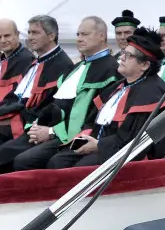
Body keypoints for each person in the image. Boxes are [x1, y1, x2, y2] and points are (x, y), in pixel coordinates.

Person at [0, 16, 119, 171]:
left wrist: (50, 131)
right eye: (77, 35)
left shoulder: (110, 70)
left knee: (28, 160)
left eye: (84, 34)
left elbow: (90, 117)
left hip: (77, 135)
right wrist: (38, 125)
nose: (79, 39)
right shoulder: (77, 68)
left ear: (102, 36)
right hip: (50, 129)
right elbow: (54, 106)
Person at [48, 28, 165, 168]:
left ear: (144, 65)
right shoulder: (118, 87)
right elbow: (91, 121)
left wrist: (99, 145)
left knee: (81, 168)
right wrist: (86, 139)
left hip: (121, 154)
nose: (122, 58)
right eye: (124, 53)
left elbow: (133, 139)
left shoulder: (152, 94)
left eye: (129, 56)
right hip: (97, 143)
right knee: (57, 161)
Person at [0, 16, 74, 170]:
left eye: (35, 33)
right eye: (29, 32)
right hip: (20, 121)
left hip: (35, 127)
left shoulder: (61, 64)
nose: (30, 37)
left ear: (51, 36)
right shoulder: (38, 61)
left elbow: (47, 107)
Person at [0, 19, 35, 103]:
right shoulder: (3, 58)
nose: (3, 40)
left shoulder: (27, 60)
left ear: (17, 34)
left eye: (7, 36)